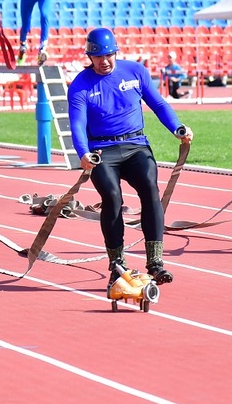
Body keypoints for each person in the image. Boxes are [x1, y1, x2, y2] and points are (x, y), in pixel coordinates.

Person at [67, 27, 193, 292]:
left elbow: (158, 104)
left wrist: (178, 128)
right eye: (98, 57)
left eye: (108, 55)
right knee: (112, 197)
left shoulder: (135, 72)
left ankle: (155, 262)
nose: (104, 61)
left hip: (135, 146)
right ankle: (117, 264)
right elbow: (77, 124)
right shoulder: (80, 85)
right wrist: (83, 154)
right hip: (102, 152)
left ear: (116, 52)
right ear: (89, 57)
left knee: (150, 188)